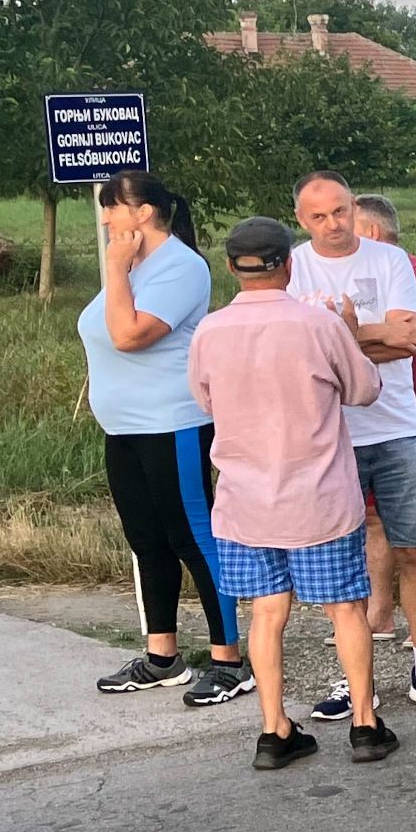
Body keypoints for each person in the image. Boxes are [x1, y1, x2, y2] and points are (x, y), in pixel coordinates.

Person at [187, 219, 396, 770]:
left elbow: (205, 401)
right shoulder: (318, 325)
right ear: (289, 263)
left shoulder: (209, 331)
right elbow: (365, 389)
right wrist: (349, 332)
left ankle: (274, 730)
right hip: (319, 497)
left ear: (230, 267)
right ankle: (364, 724)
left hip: (246, 502)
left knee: (266, 613)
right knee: (345, 609)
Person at [284, 172, 416, 717]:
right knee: (343, 559)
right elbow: (293, 352)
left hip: (399, 427)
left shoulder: (389, 262)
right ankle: (352, 678)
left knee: (415, 549)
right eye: (319, 216)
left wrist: (334, 335)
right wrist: (367, 336)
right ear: (302, 219)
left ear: (352, 206)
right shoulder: (293, 267)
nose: (332, 223)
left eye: (340, 211)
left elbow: (407, 338)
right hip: (330, 434)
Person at [81, 168, 250, 706]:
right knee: (147, 542)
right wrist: (119, 269)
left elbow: (129, 335)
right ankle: (163, 657)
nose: (105, 216)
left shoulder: (181, 267)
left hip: (171, 426)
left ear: (143, 213)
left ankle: (230, 660)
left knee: (193, 539)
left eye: (113, 206)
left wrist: (113, 267)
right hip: (124, 428)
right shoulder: (132, 267)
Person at [352, 195, 416, 653]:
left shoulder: (415, 274)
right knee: (374, 518)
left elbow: (403, 338)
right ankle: (381, 611)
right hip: (366, 416)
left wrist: (336, 334)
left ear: (372, 232)